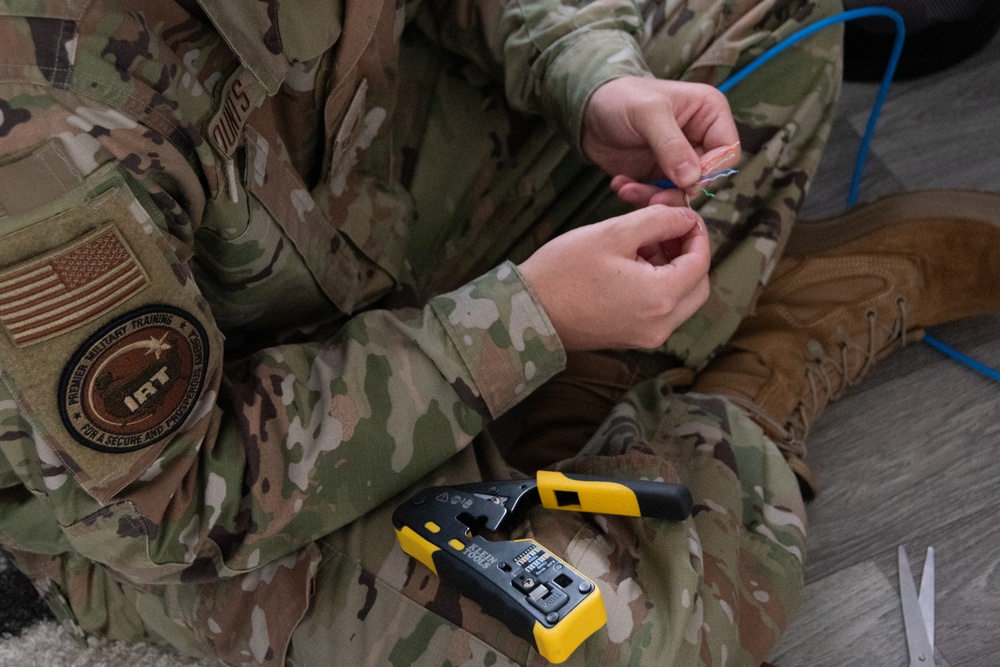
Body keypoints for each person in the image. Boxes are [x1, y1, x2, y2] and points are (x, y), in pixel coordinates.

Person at [0, 1, 998, 666]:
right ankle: (742, 380)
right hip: (190, 476)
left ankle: (597, 376)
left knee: (763, 13)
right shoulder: (34, 119)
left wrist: (588, 72)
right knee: (617, 636)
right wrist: (526, 320)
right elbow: (165, 500)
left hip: (381, 188)